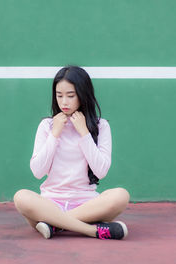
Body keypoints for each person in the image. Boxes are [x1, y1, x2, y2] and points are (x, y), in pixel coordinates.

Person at [13, 65, 130, 240]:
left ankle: (54, 226)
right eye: (59, 96)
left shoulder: (101, 126)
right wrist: (54, 135)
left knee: (121, 195)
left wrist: (84, 133)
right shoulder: (47, 126)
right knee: (21, 197)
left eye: (70, 95)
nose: (64, 102)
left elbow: (101, 171)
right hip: (49, 204)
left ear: (83, 95)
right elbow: (37, 172)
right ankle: (92, 230)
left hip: (87, 204)